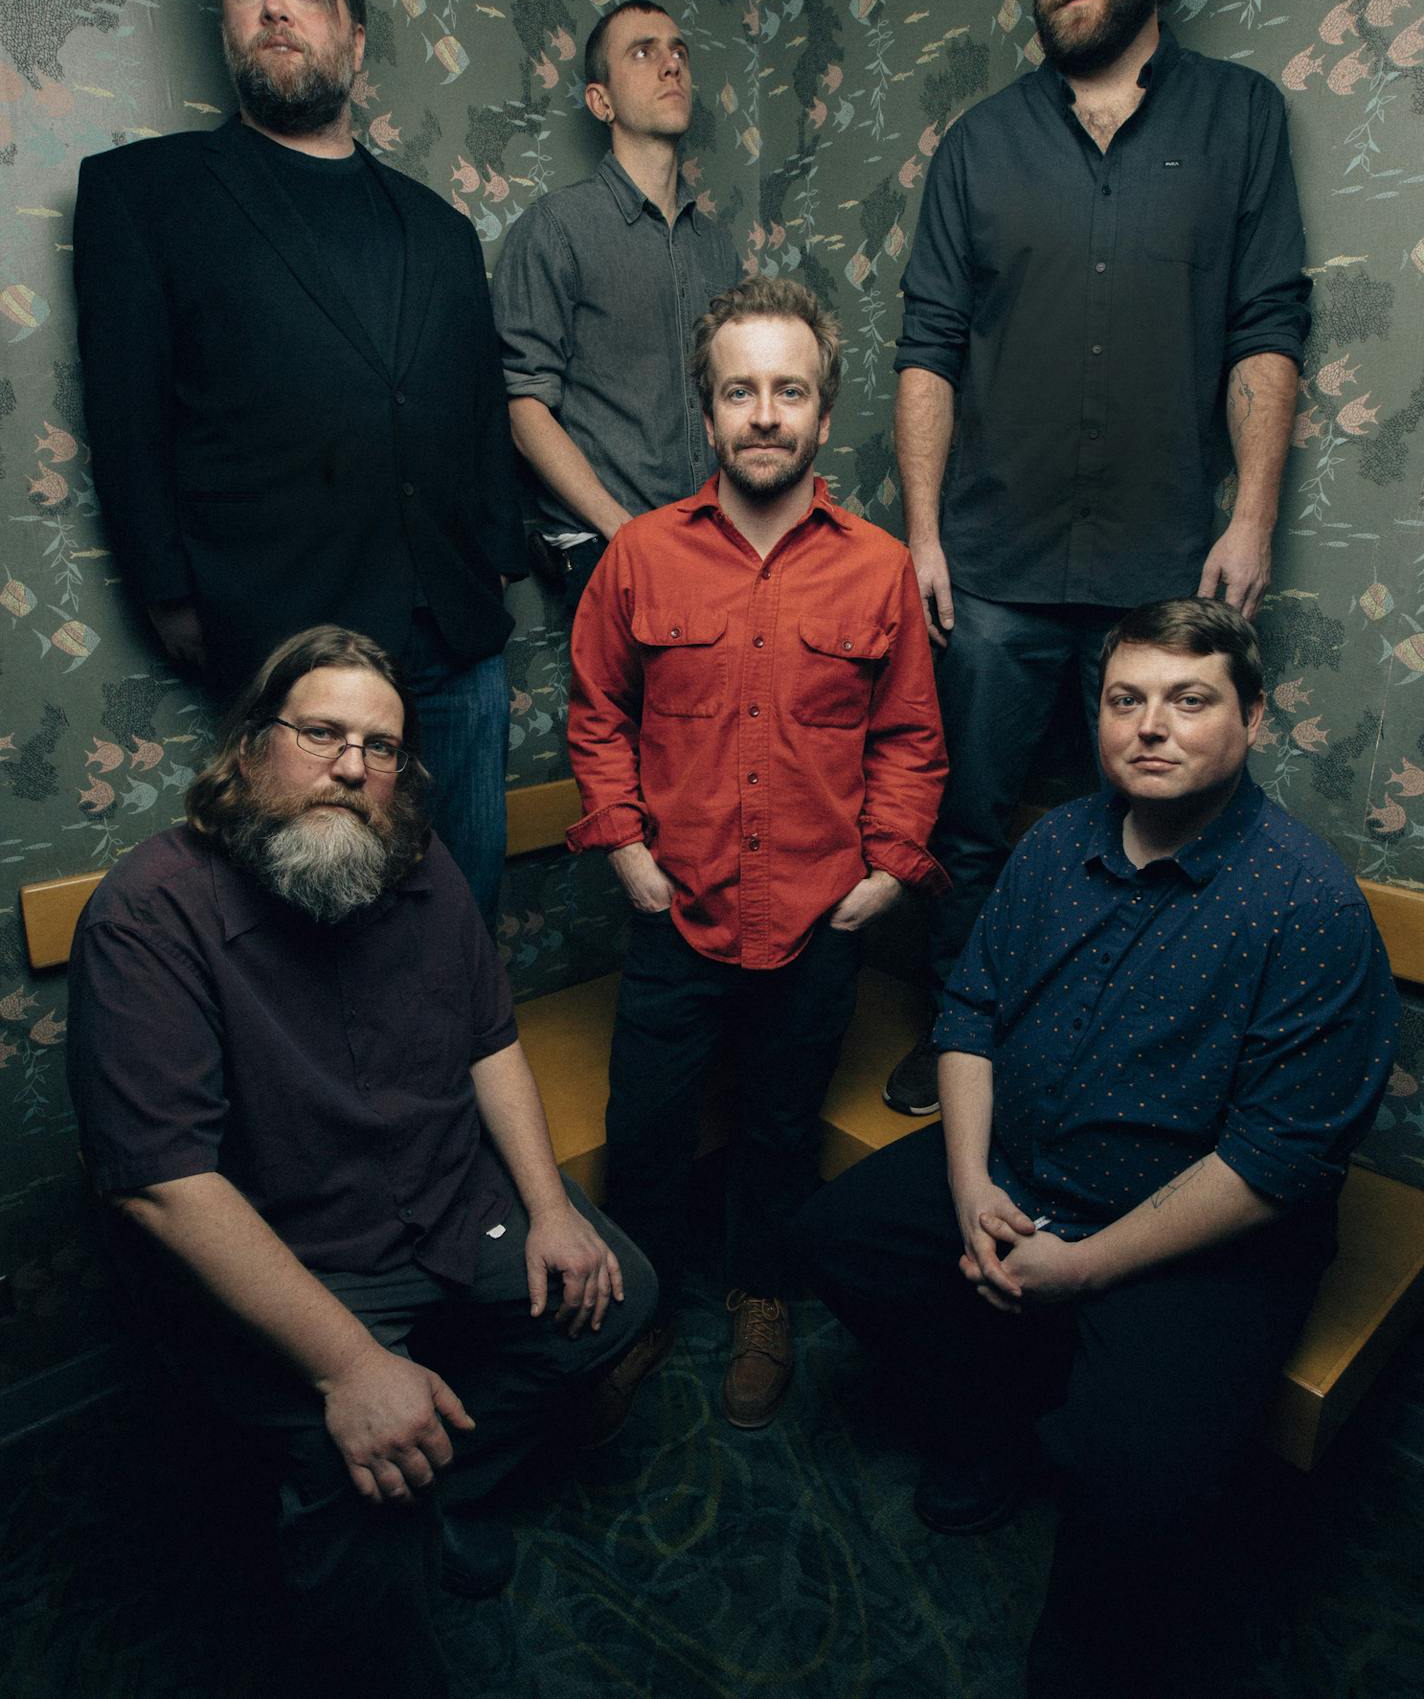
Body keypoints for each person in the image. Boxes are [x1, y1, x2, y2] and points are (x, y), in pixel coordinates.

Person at [791, 598, 1397, 1699]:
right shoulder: (1057, 842)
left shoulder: (1304, 904)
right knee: (841, 1237)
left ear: (1250, 718)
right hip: (1021, 1171)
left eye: (1188, 699)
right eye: (1126, 699)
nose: (1149, 726)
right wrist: (972, 1186)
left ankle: (1081, 1663)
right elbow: (969, 1011)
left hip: (1190, 1238)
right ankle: (991, 1423)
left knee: (1134, 1479)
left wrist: (1085, 1263)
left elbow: (1276, 1159)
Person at [65, 625, 658, 1699]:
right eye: (322, 732)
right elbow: (163, 1185)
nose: (352, 765)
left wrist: (551, 1209)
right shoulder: (147, 914)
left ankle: (447, 1490)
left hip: (440, 1198)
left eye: (380, 747)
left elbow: (490, 1039)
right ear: (249, 748)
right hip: (295, 1258)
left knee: (618, 1296)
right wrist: (349, 1365)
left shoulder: (412, 857)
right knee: (359, 1490)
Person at [885, 0, 1312, 1116]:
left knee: (1153, 835)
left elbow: (1266, 326)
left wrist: (1251, 518)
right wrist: (923, 533)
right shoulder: (979, 144)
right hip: (999, 569)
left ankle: (1111, 1067)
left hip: (1163, 571)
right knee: (968, 824)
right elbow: (927, 347)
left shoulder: (1240, 119)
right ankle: (959, 1036)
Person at [73, 0, 524, 925]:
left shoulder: (439, 227)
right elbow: (126, 414)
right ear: (226, 21)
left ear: (352, 38)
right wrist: (166, 589)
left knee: (461, 913)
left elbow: (473, 400)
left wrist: (496, 552)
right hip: (288, 638)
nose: (276, 8)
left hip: (454, 639)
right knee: (309, 930)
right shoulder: (146, 195)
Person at [565, 277, 946, 1428]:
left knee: (780, 1130)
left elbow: (909, 735)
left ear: (824, 416)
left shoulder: (875, 567)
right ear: (710, 411)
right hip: (672, 912)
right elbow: (595, 713)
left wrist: (888, 867)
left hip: (814, 918)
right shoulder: (637, 555)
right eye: (742, 391)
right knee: (645, 1129)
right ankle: (639, 1309)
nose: (765, 413)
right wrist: (623, 846)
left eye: (789, 390)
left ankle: (762, 1298)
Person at [491, 0, 740, 605]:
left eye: (678, 51)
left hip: (715, 541)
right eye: (643, 52)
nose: (670, 65)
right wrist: (622, 531)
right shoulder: (556, 228)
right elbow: (524, 408)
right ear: (601, 101)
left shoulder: (718, 247)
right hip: (608, 546)